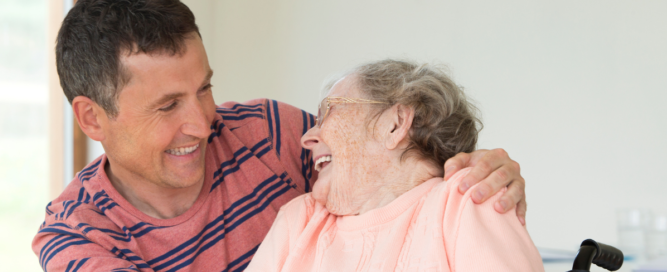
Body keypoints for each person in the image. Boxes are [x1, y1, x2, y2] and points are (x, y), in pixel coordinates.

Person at [32, 1, 528, 271]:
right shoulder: (76, 236)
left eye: (204, 88)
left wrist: (475, 170)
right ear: (92, 119)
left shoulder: (272, 133)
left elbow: (388, 164)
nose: (204, 124)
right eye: (167, 106)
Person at [246, 60, 543, 272]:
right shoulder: (299, 220)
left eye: (327, 112)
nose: (308, 137)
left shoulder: (465, 199)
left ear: (395, 124)